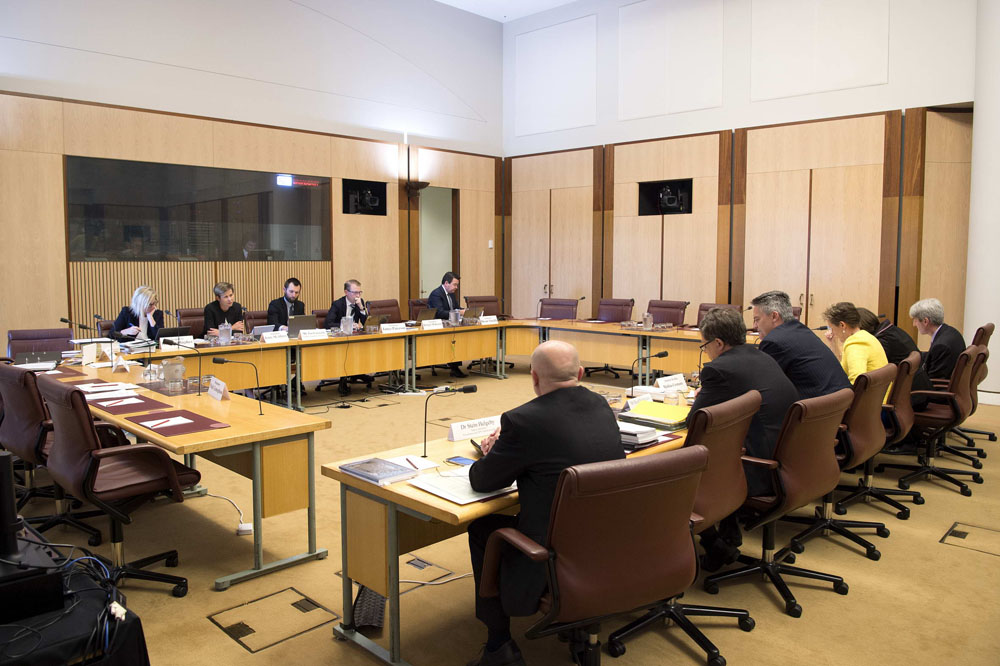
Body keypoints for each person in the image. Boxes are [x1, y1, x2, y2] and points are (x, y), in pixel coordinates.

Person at [466, 340, 623, 666]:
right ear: (580, 373)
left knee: (482, 528)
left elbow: (482, 481)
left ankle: (499, 645)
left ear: (534, 378)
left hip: (553, 552)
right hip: (609, 542)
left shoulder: (522, 421)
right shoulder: (601, 404)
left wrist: (493, 452)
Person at [688, 307, 798, 570]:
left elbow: (695, 423)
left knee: (682, 470)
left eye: (705, 346)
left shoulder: (720, 369)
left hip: (760, 468)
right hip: (790, 459)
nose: (707, 352)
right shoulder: (761, 356)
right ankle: (725, 537)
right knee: (726, 447)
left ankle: (715, 543)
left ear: (718, 343)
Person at [751, 290, 851, 399]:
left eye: (757, 319)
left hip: (818, 408)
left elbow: (764, 386)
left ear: (774, 316)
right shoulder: (801, 330)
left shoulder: (774, 341)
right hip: (841, 402)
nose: (755, 326)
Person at [857, 307, 931, 410]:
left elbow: (868, 373)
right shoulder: (891, 331)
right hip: (919, 394)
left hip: (911, 399)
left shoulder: (882, 342)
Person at [823, 302, 889, 385]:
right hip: (878, 395)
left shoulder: (855, 344)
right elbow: (842, 369)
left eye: (832, 328)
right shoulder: (866, 336)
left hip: (868, 397)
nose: (831, 332)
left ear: (842, 325)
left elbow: (856, 381)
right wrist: (833, 343)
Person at [324, 280, 370, 395]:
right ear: (346, 292)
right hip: (339, 338)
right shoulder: (337, 304)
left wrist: (361, 308)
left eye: (360, 292)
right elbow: (328, 323)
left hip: (355, 337)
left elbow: (367, 324)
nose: (358, 296)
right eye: (355, 293)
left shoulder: (360, 302)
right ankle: (344, 379)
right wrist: (346, 325)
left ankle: (357, 372)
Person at [909, 297, 966, 380]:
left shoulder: (941, 346)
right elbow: (933, 356)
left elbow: (934, 382)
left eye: (915, 320)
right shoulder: (950, 331)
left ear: (925, 321)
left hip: (938, 390)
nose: (914, 324)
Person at [428, 271, 468, 378]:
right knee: (454, 338)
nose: (456, 287)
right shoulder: (436, 294)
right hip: (437, 327)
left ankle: (455, 367)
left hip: (450, 325)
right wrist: (458, 312)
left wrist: (464, 310)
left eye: (457, 285)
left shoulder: (451, 294)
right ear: (446, 283)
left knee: (459, 336)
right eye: (455, 284)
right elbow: (439, 313)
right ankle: (454, 367)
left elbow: (455, 308)